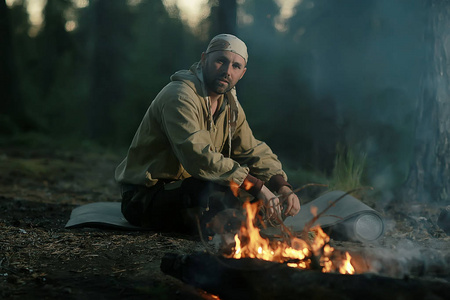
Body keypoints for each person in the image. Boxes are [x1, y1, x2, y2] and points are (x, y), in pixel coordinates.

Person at [115, 34, 300, 235]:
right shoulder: (180, 96)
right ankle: (235, 227)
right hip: (146, 197)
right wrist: (256, 187)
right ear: (204, 60)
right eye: (221, 61)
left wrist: (281, 187)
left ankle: (239, 225)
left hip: (188, 188)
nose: (227, 71)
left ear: (242, 73)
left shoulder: (230, 105)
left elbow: (252, 150)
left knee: (246, 194)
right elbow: (199, 157)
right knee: (220, 191)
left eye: (236, 66)